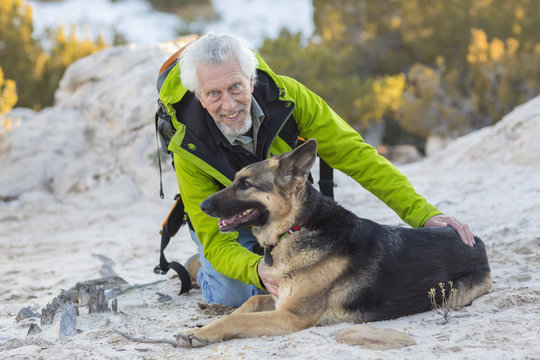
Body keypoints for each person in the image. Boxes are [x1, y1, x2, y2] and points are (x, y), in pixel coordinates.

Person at [159, 32, 475, 307]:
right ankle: (201, 269)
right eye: (213, 94)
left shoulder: (290, 99)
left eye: (236, 87)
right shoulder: (187, 144)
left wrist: (423, 214)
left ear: (251, 80)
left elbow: (358, 157)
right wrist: (257, 270)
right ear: (199, 97)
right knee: (234, 296)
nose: (228, 105)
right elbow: (217, 241)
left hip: (289, 214)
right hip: (230, 222)